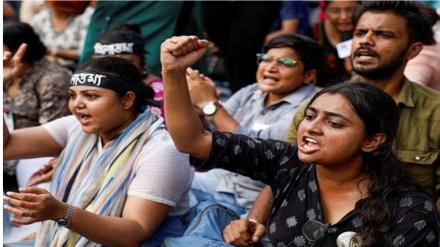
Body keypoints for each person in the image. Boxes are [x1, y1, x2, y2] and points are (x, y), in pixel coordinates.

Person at [160, 35, 439, 246]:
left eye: (334, 123)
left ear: (372, 140)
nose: (312, 128)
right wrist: (172, 73)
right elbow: (191, 141)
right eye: (310, 116)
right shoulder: (286, 162)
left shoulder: (409, 209)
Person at [3, 55, 194, 246]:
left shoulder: (161, 150)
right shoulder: (76, 127)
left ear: (127, 100)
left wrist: (61, 212)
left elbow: (134, 233)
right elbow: (7, 146)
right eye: (72, 95)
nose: (77, 104)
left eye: (91, 96)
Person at [187, 33, 322, 218]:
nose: (271, 67)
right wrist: (196, 105)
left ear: (309, 75)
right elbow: (209, 134)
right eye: (266, 59)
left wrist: (210, 104)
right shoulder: (252, 91)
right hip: (225, 181)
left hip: (258, 199)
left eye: (285, 63)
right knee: (171, 181)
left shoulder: (312, 106)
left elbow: (256, 151)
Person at [3, 20, 71, 192]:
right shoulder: (4, 73)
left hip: (35, 159)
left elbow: (51, 134)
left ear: (18, 50)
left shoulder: (52, 79)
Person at [93, 23, 164, 117]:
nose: (116, 70)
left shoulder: (162, 92)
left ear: (141, 62)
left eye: (126, 63)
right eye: (106, 64)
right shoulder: (84, 89)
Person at [307, 0, 360, 87]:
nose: (344, 17)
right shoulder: (315, 34)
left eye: (350, 10)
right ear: (325, 11)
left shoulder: (372, 32)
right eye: (335, 11)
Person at [30, 1, 94, 71]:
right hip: (43, 68)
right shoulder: (41, 18)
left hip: (77, 68)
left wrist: (51, 51)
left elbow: (86, 53)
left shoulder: (88, 16)